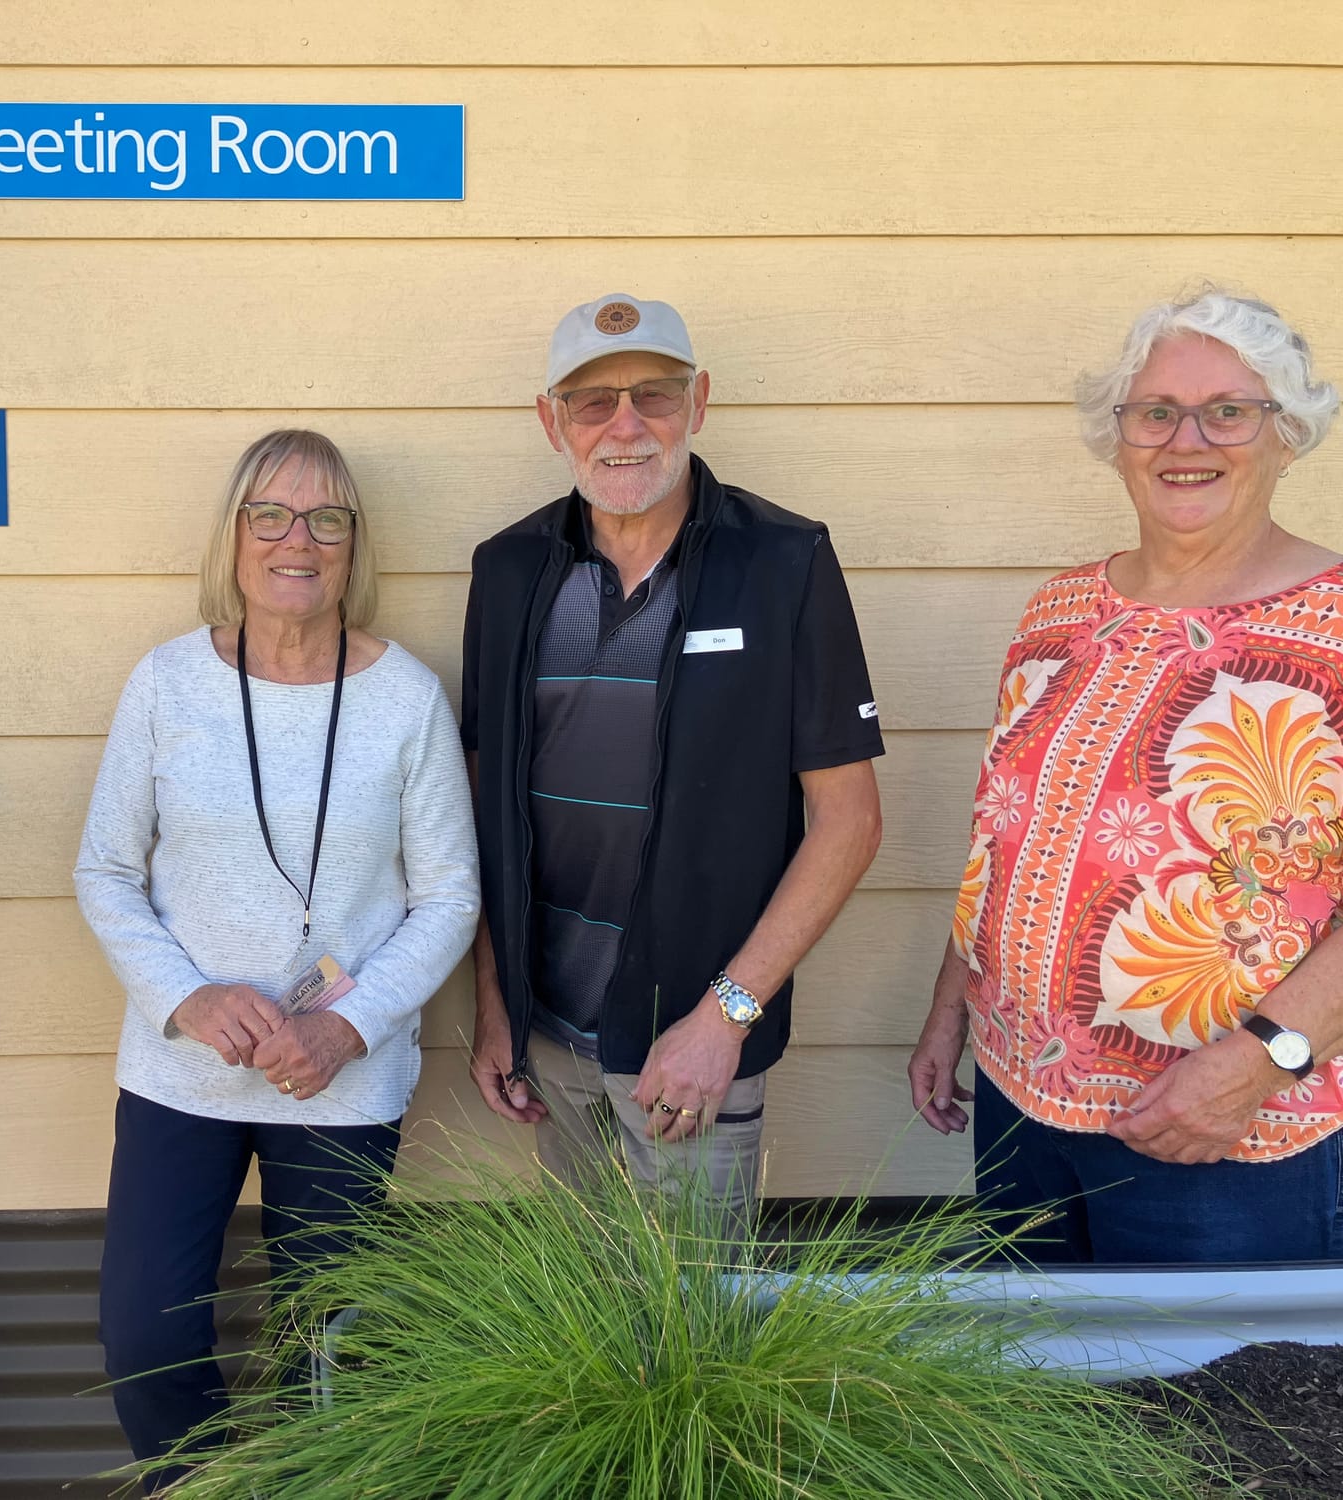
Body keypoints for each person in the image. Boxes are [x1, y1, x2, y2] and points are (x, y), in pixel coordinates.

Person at [75, 429, 479, 1489]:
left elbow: (449, 896)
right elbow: (105, 870)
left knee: (326, 1356)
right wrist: (187, 998)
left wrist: (347, 1024)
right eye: (271, 514)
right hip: (182, 1076)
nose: (297, 540)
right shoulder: (166, 684)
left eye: (326, 519)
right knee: (146, 1341)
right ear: (235, 536)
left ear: (353, 545)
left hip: (340, 1081)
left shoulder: (407, 700)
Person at [908, 287, 1343, 1263]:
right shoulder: (1057, 614)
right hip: (1019, 1103)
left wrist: (1259, 1062)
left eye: (1227, 411)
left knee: (1208, 1368)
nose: (1186, 440)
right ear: (1120, 437)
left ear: (1286, 434)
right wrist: (947, 1010)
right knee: (1036, 1360)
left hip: (1223, 1128)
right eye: (1156, 412)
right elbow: (1002, 839)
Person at [462, 293, 885, 1224]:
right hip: (547, 1040)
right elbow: (488, 811)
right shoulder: (509, 571)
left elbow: (850, 822)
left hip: (692, 1043)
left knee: (696, 1306)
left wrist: (725, 1018)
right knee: (582, 1298)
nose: (625, 426)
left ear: (699, 402)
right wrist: (496, 1003)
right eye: (592, 401)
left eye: (653, 394)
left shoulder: (783, 563)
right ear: (552, 423)